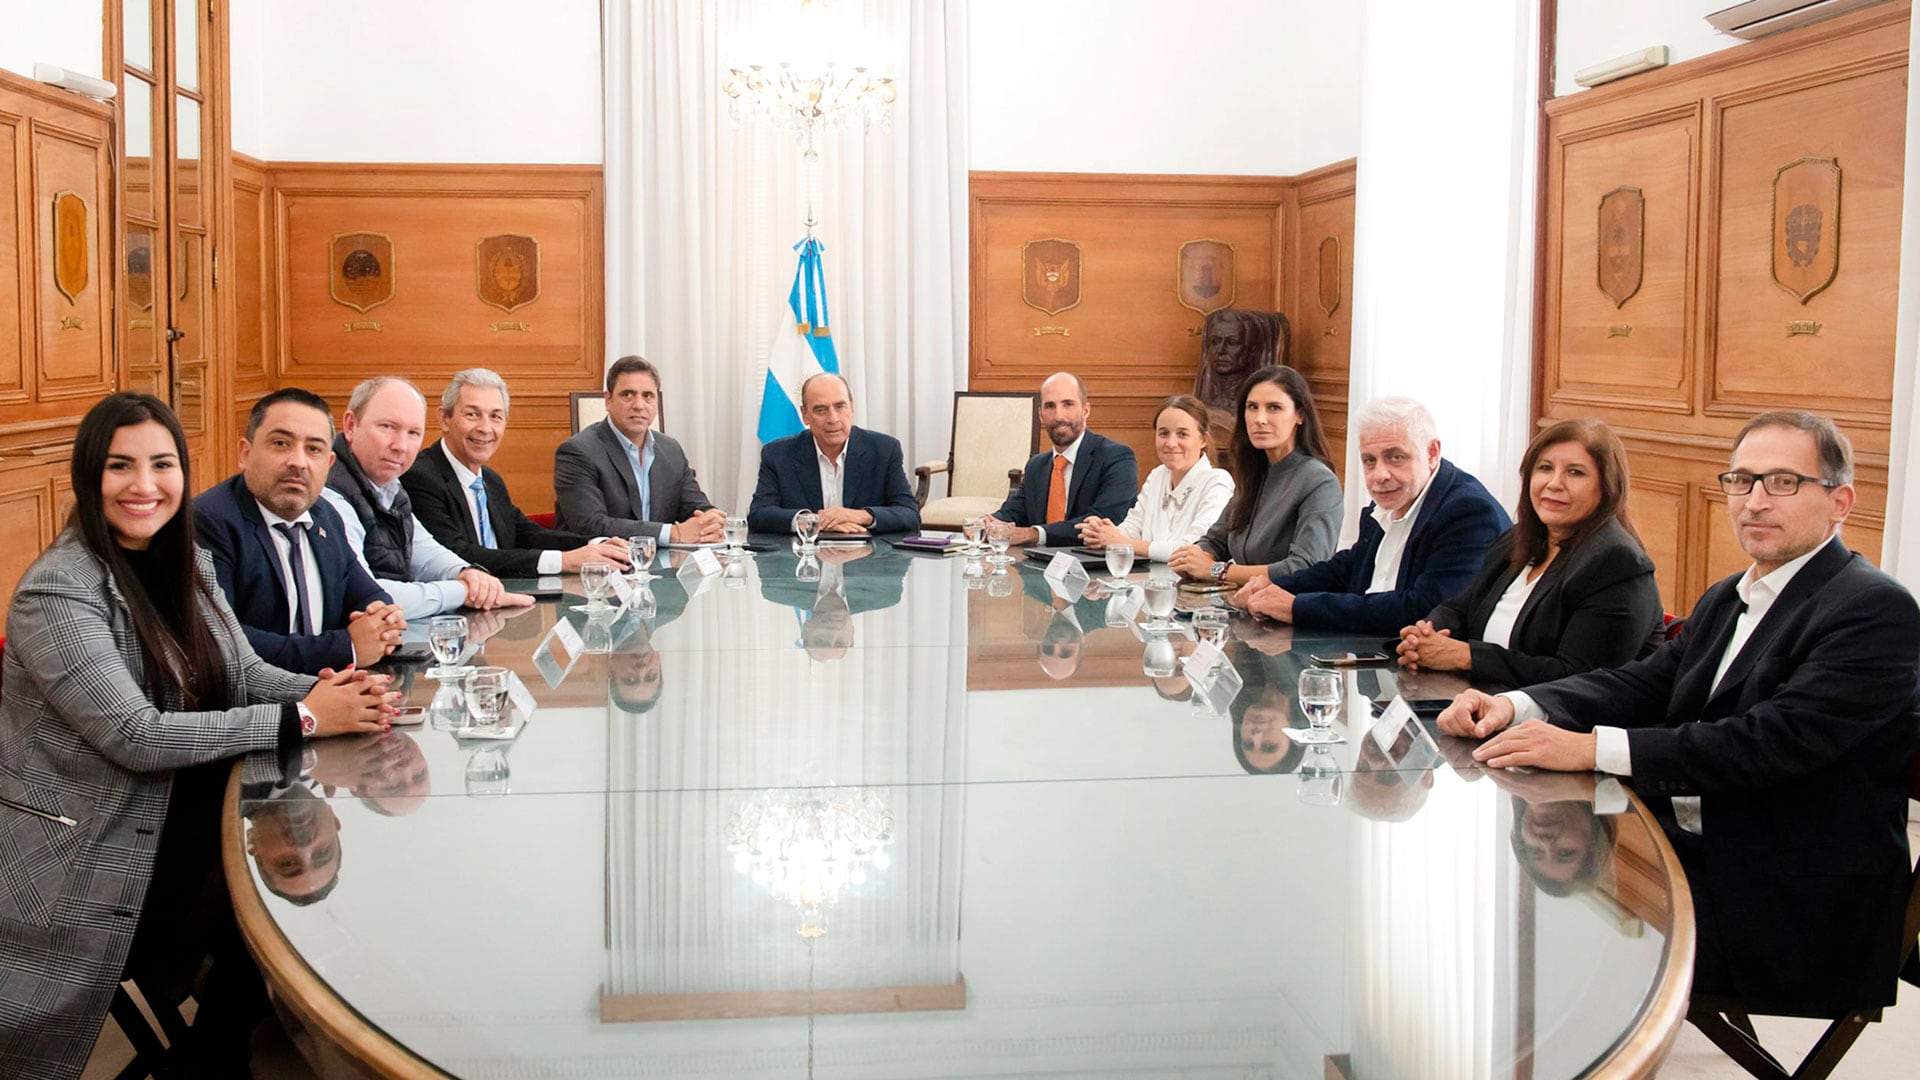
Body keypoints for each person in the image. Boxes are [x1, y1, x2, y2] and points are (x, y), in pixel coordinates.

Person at [1439, 410, 1920, 1017]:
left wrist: (1590, 749)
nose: (1754, 501)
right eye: (1741, 481)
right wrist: (1515, 703)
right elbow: (1644, 682)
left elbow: (1766, 743)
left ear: (1840, 501)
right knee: (1487, 888)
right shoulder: (1730, 594)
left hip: (1789, 901)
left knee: (1533, 932)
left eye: (1782, 482)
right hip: (1695, 850)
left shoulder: (1874, 609)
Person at [0, 393, 395, 1080]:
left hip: (169, 821)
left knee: (292, 860)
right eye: (120, 466)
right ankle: (221, 1054)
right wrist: (304, 718)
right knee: (282, 875)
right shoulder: (57, 591)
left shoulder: (187, 563)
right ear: (87, 476)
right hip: (87, 860)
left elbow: (243, 672)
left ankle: (223, 1048)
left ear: (184, 472)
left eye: (162, 464)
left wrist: (340, 696)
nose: (144, 486)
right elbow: (136, 735)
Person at [1395, 418, 1663, 687]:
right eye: (1545, 468)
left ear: (1606, 487)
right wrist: (1426, 633)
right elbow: (1459, 609)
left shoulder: (1617, 563)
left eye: (1575, 473)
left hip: (1565, 724)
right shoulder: (1517, 540)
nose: (1554, 483)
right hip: (1482, 705)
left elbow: (1581, 678)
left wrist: (1468, 657)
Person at [1233, 396, 1508, 635]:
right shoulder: (1391, 501)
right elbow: (1349, 568)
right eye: (1369, 460)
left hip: (1442, 682)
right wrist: (1275, 585)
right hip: (1373, 663)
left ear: (1432, 452)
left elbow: (1422, 609)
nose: (1380, 476)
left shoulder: (1468, 512)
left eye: (1395, 457)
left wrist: (1296, 607)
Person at [195, 388, 406, 675]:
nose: (298, 462)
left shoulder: (324, 515)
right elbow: (222, 643)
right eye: (281, 443)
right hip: (259, 708)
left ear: (328, 465)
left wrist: (382, 620)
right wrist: (348, 648)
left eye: (314, 449)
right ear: (245, 454)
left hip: (334, 693)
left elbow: (367, 594)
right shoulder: (210, 520)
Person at [321, 376, 532, 619]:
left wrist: (466, 573)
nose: (401, 446)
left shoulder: (388, 482)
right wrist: (461, 591)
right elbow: (368, 596)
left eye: (413, 433)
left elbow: (424, 549)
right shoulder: (329, 492)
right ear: (350, 425)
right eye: (388, 427)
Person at [403, 368, 631, 577]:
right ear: (444, 419)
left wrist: (596, 544)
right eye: (472, 414)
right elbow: (460, 556)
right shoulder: (420, 478)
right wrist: (564, 561)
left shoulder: (491, 481)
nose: (485, 428)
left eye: (496, 416)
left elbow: (529, 535)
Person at [1167, 366, 1342, 586]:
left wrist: (1217, 570)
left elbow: (1305, 567)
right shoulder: (1255, 472)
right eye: (1252, 407)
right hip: (1240, 605)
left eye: (1274, 408)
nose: (1260, 419)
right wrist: (1192, 557)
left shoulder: (1319, 482)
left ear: (1299, 415)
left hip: (1289, 612)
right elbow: (1215, 541)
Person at [553, 355, 725, 544]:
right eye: (628, 394)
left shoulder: (671, 450)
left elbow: (695, 505)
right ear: (608, 400)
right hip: (597, 567)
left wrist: (710, 520)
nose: (639, 405)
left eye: (647, 396)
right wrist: (673, 533)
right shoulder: (577, 452)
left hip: (660, 567)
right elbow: (590, 524)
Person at [747, 372, 920, 535]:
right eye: (821, 410)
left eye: (840, 406)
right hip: (803, 558)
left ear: (852, 408)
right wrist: (814, 521)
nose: (833, 419)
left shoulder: (884, 449)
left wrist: (857, 516)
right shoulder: (778, 454)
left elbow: (910, 513)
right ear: (805, 415)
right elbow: (759, 514)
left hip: (865, 559)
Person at [1076, 394, 1234, 562]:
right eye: (1163, 433)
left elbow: (1195, 549)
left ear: (1203, 439)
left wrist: (1121, 542)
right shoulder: (1157, 475)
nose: (1171, 443)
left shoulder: (1218, 482)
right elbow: (1133, 527)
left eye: (1182, 434)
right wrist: (1101, 531)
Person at [993, 371, 1139, 546]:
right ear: (1041, 415)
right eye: (1050, 406)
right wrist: (990, 522)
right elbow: (1015, 511)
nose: (1058, 416)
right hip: (1035, 565)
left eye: (1068, 404)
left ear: (1086, 410)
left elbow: (1101, 522)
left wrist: (1034, 534)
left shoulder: (1117, 458)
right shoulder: (1036, 465)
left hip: (1094, 566)